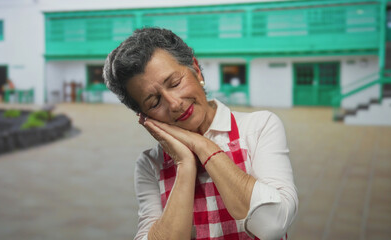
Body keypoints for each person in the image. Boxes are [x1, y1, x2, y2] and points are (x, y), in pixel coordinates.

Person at [103, 28, 298, 240]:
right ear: (145, 116)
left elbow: (273, 225)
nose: (175, 103)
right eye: (154, 101)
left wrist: (203, 146)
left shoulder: (259, 127)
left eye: (175, 83)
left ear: (196, 69)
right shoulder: (150, 164)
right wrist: (185, 164)